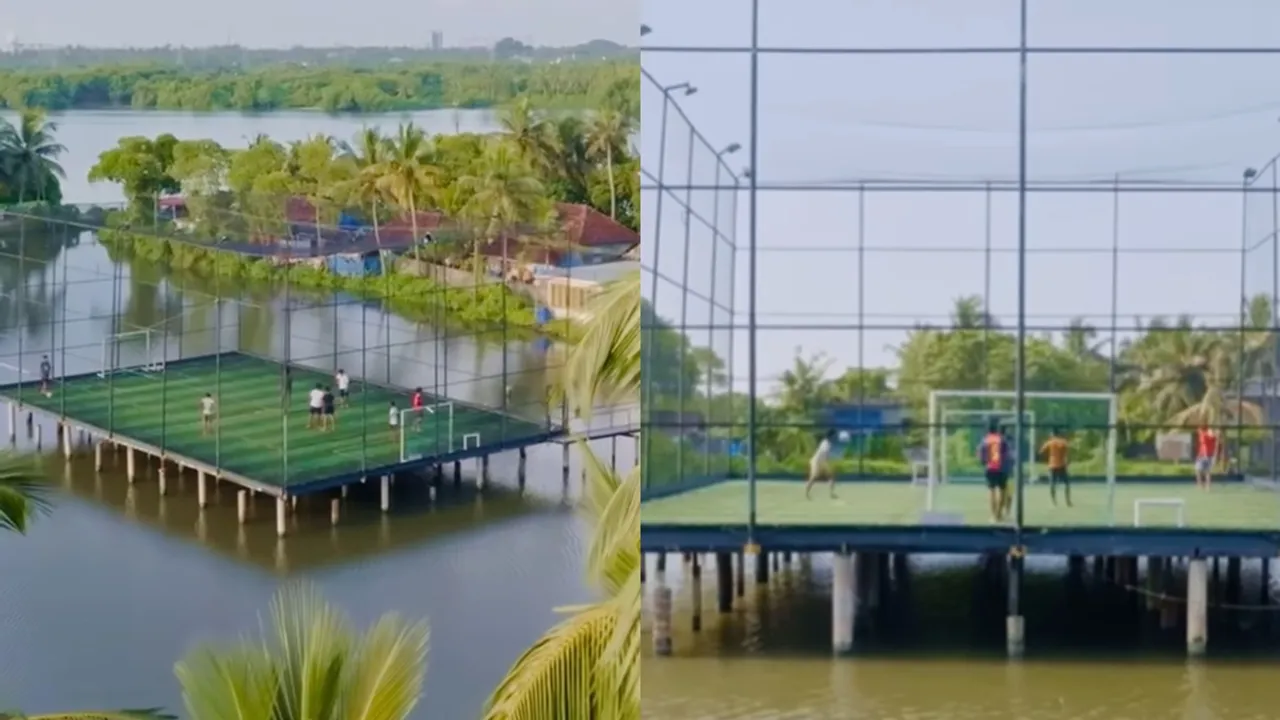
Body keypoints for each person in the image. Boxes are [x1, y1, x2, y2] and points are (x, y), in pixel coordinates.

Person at [978, 420, 1011, 522]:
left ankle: (993, 516)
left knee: (992, 491)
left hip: (990, 468)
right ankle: (999, 514)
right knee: (1003, 491)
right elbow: (1007, 454)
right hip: (1002, 468)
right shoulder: (1002, 439)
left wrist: (984, 462)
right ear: (996, 429)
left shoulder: (985, 440)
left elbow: (981, 454)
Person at [1041, 427, 1071, 507]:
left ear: (1052, 434)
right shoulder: (1063, 442)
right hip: (1062, 465)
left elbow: (1041, 451)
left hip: (1052, 465)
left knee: (1052, 484)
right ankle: (1068, 501)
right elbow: (1068, 451)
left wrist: (1047, 457)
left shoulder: (1050, 442)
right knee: (1066, 484)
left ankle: (1053, 502)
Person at [804, 429, 837, 500]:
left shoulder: (829, 443)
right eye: (834, 435)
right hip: (815, 461)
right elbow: (824, 454)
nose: (835, 437)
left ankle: (832, 494)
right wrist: (826, 464)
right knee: (814, 476)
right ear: (831, 436)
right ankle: (807, 493)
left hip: (822, 462)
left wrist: (827, 466)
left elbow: (826, 456)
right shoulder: (825, 443)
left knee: (831, 475)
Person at [1195, 424, 1217, 490]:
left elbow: (1210, 436)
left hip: (1205, 456)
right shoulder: (1207, 435)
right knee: (1201, 471)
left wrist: (1213, 433)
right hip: (1203, 455)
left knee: (1205, 472)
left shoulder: (1205, 435)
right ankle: (1202, 485)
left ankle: (1206, 486)